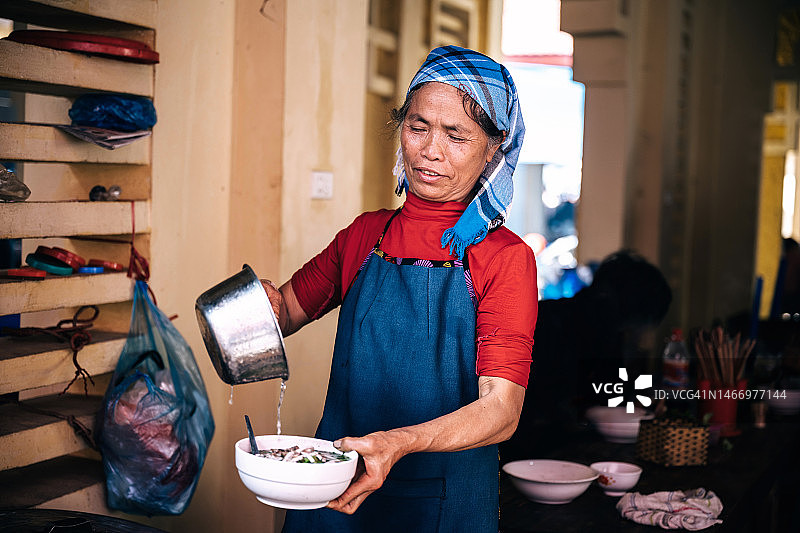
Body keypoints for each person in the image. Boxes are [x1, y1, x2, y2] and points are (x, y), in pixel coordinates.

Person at [261, 45, 537, 532]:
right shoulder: (365, 235)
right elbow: (282, 312)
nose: (431, 150)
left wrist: (399, 442)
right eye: (417, 126)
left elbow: (502, 411)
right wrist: (257, 305)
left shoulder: (504, 258)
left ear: (494, 148)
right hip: (336, 492)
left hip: (440, 505)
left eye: (456, 136)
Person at [500, 250, 672, 462]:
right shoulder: (570, 329)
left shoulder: (576, 320)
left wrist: (637, 401)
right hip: (524, 454)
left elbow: (609, 392)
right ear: (634, 314)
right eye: (643, 324)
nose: (642, 336)